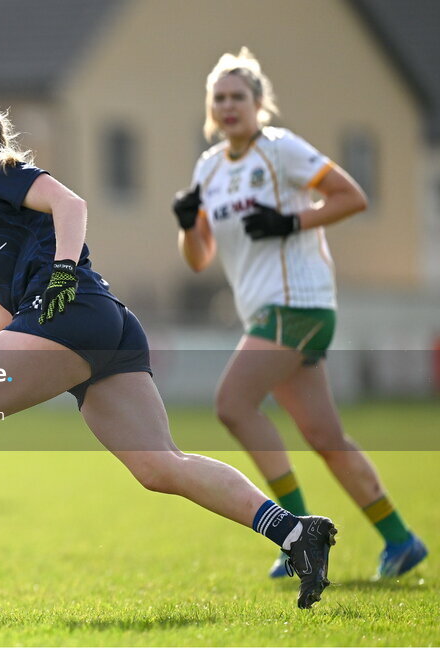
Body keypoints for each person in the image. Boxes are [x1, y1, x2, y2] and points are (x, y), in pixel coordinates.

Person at [0, 83, 337, 618]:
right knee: (160, 467)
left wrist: (63, 270)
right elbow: (3, 307)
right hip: (95, 320)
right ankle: (296, 532)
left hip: (70, 310)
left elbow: (70, 204)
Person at [171, 48, 426, 581]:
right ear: (210, 108)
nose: (228, 105)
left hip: (300, 304)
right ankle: (400, 540)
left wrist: (291, 221)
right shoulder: (209, 167)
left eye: (238, 96)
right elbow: (199, 260)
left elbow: (350, 196)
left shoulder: (280, 150)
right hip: (269, 315)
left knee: (232, 404)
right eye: (219, 98)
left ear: (260, 103)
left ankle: (296, 535)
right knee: (325, 438)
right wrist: (188, 224)